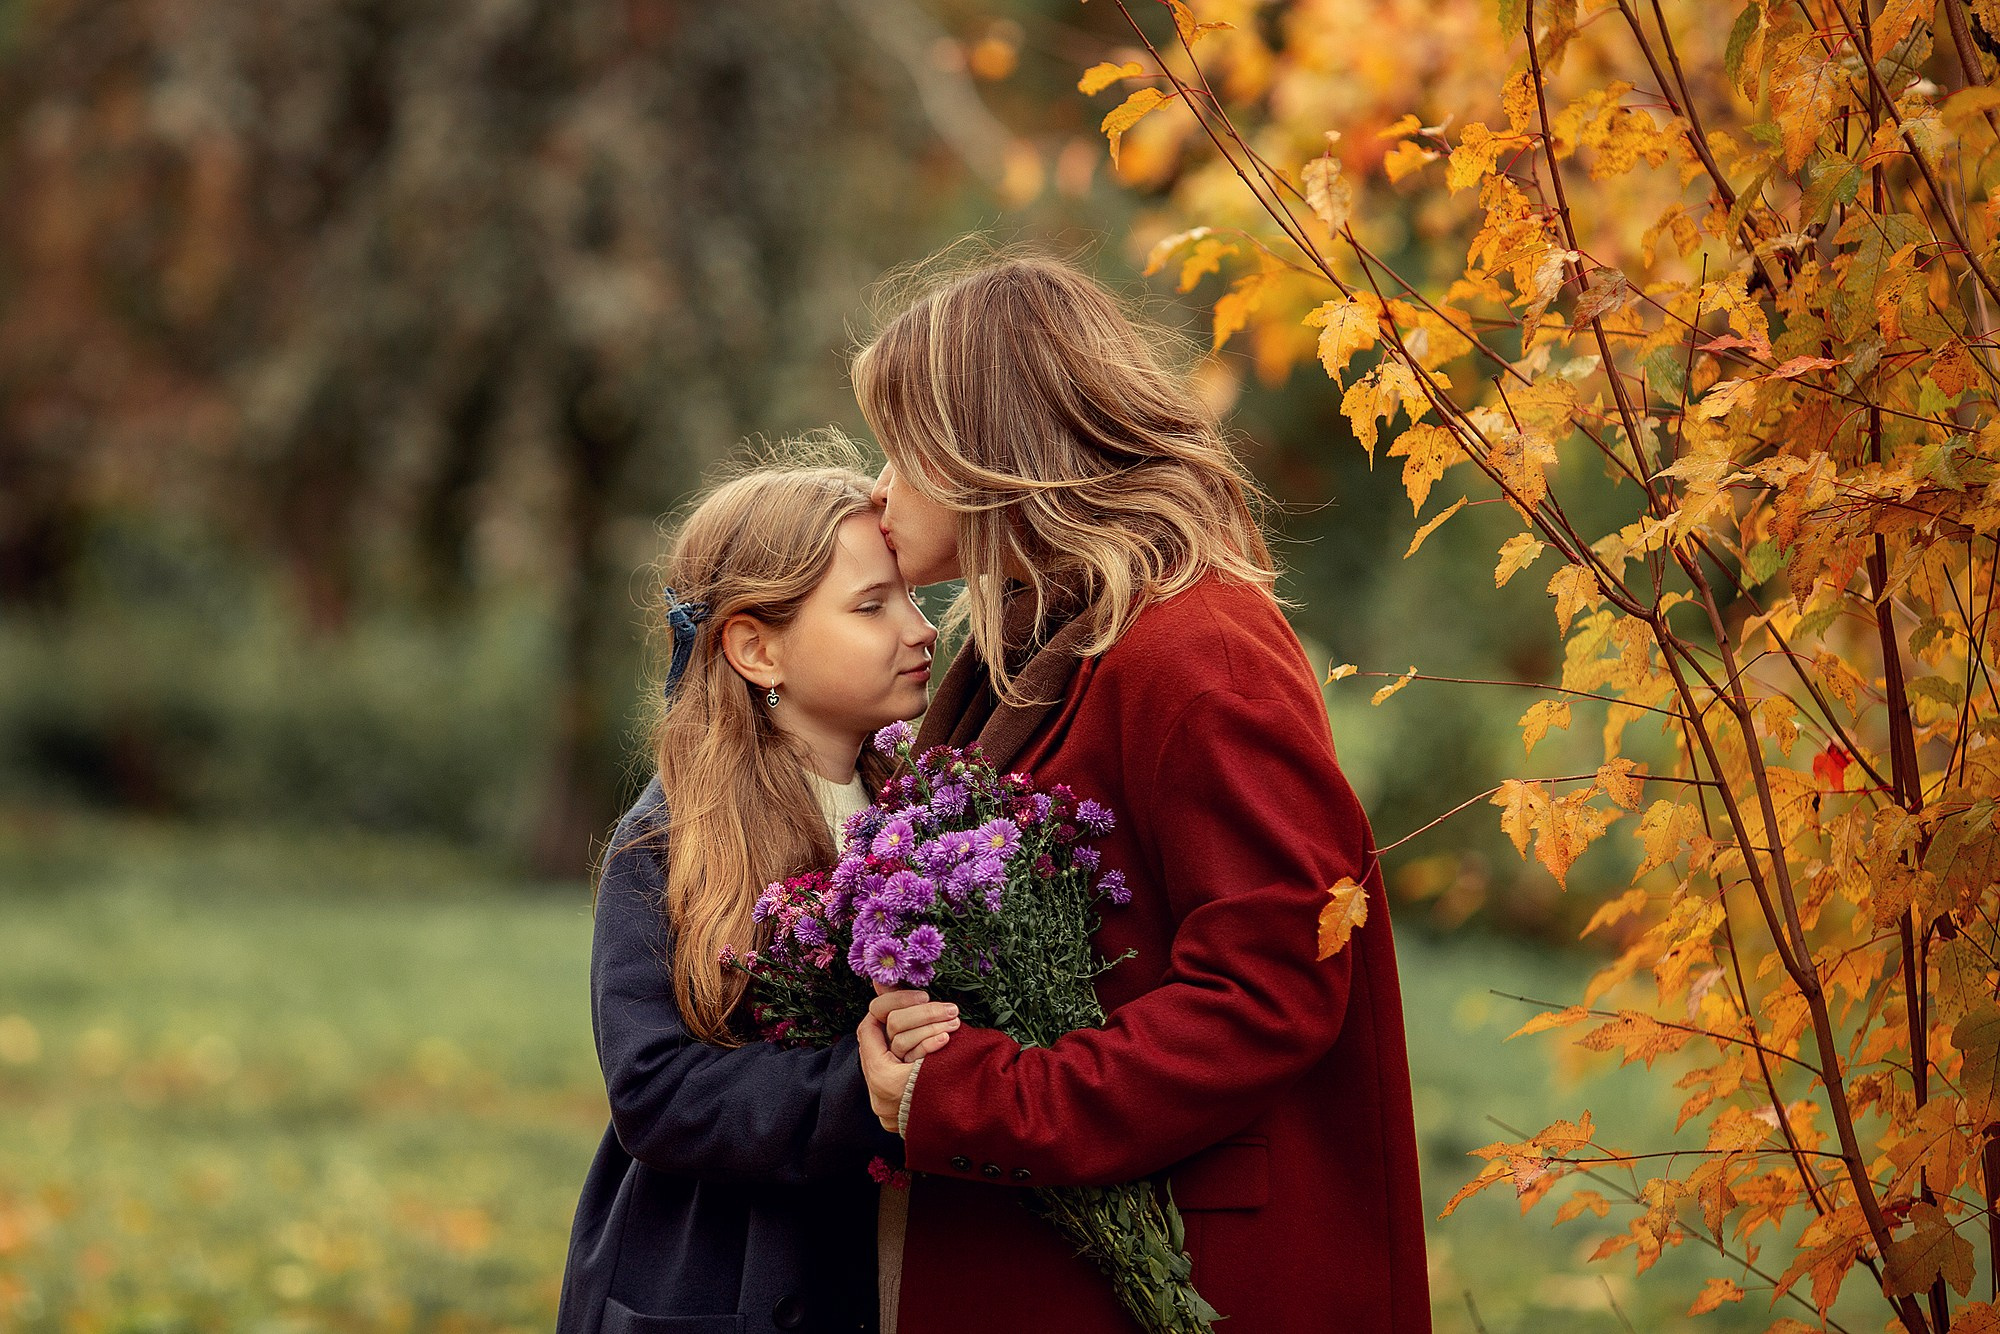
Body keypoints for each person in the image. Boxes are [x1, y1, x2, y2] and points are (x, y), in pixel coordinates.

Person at [846, 253, 1431, 1333]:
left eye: (899, 448)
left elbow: (1271, 987)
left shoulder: (1194, 647)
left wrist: (982, 1098)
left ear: (984, 448)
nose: (877, 488)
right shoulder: (1027, 652)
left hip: (1190, 1271)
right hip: (1051, 1249)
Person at [557, 446, 959, 1334]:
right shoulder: (674, 838)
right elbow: (652, 1093)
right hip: (716, 1279)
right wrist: (858, 1089)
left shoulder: (923, 808)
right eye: (871, 606)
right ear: (755, 646)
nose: (922, 628)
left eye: (914, 599)